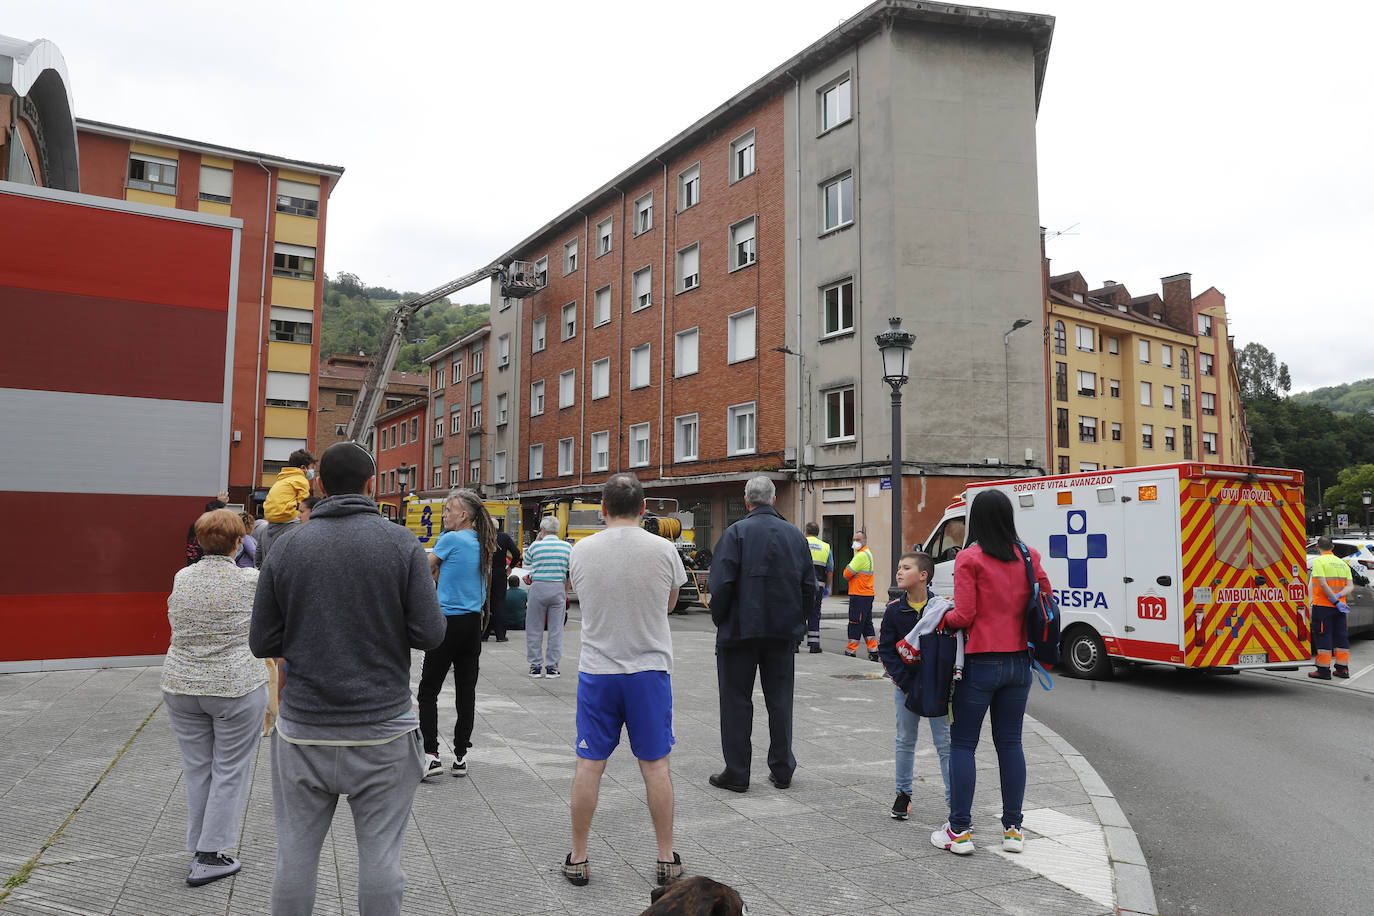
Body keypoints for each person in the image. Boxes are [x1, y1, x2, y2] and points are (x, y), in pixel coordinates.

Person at [250, 441, 445, 915]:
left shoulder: (287, 546)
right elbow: (431, 633)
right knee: (381, 857)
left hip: (303, 731)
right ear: (372, 485)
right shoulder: (401, 543)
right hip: (383, 731)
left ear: (317, 485)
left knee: (294, 856)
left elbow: (262, 642)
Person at [562, 473, 688, 888]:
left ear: (602, 508)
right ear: (643, 509)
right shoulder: (664, 548)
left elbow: (579, 593)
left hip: (598, 672)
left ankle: (579, 857)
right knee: (655, 767)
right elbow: (670, 603)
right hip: (648, 671)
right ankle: (666, 858)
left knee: (589, 764)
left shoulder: (580, 550)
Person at [931, 488, 1051, 856]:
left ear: (977, 521)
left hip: (981, 663)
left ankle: (960, 831)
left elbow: (964, 616)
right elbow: (1046, 597)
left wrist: (941, 616)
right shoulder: (1028, 555)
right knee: (1010, 744)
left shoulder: (970, 558)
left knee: (964, 745)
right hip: (1020, 663)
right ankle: (1013, 829)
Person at [163, 508, 269, 887]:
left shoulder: (182, 576)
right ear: (240, 542)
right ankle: (210, 855)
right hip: (234, 687)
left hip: (181, 684)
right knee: (229, 769)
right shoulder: (250, 580)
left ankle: (199, 847)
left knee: (197, 768)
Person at [707, 477, 816, 792]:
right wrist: (799, 621)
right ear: (773, 499)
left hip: (739, 633)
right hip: (782, 633)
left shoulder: (735, 533)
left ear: (746, 501)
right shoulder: (796, 536)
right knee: (780, 701)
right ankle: (782, 769)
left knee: (736, 702)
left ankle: (737, 772)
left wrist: (721, 619)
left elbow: (721, 584)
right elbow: (809, 587)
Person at [419, 489, 496, 778]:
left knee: (428, 690)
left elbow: (423, 571)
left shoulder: (449, 539)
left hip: (446, 622)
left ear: (463, 515)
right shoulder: (481, 539)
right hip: (472, 624)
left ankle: (431, 754)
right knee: (466, 690)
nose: (444, 514)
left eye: (449, 510)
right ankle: (461, 755)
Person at [877, 552, 952, 821]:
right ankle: (903, 794)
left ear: (924, 576)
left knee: (945, 743)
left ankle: (954, 802)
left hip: (937, 687)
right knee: (905, 740)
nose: (899, 572)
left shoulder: (942, 609)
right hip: (907, 687)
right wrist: (906, 684)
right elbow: (886, 651)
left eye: (906, 568)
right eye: (898, 567)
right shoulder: (895, 611)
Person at [524, 516, 572, 678]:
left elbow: (527, 561)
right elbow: (570, 570)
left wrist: (537, 539)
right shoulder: (567, 547)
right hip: (557, 587)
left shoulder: (536, 546)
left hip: (538, 587)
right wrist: (566, 590)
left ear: (542, 530)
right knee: (556, 629)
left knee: (534, 628)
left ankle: (535, 665)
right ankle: (552, 667)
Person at [257, 449, 316, 567]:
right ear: (303, 467)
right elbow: (304, 504)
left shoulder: (282, 479)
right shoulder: (301, 479)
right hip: (286, 514)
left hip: (270, 516)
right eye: (312, 467)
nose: (312, 471)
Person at [1308, 536, 1354, 680]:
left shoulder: (1319, 561)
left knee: (1323, 637)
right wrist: (1339, 596)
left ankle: (1323, 670)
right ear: (1332, 547)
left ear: (1317, 547)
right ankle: (1342, 669)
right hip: (1340, 608)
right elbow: (1350, 586)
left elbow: (1322, 584)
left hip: (1323, 607)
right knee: (1341, 637)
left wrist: (1334, 600)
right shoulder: (1342, 563)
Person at [843, 528, 878, 660]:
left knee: (855, 622)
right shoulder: (866, 553)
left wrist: (850, 570)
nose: (855, 542)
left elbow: (846, 574)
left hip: (859, 594)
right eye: (854, 539)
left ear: (865, 541)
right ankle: (873, 650)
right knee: (866, 623)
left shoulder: (861, 555)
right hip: (866, 594)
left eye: (858, 540)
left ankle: (851, 651)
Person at [484, 523, 522, 642]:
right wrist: (510, 566)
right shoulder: (504, 537)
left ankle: (484, 633)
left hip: (485, 574)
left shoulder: (483, 537)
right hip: (500, 574)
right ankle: (500, 635)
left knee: (486, 603)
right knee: (499, 603)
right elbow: (516, 553)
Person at [803, 522, 833, 653]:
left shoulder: (801, 542)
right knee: (815, 613)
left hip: (801, 585)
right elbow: (830, 569)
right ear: (818, 532)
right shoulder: (826, 547)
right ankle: (814, 645)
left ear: (806, 531)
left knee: (799, 612)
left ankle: (795, 643)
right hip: (819, 586)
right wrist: (828, 586)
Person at [185, 497, 226, 565]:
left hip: (194, 566)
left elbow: (191, 550)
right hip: (210, 567)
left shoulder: (195, 526)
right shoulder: (217, 530)